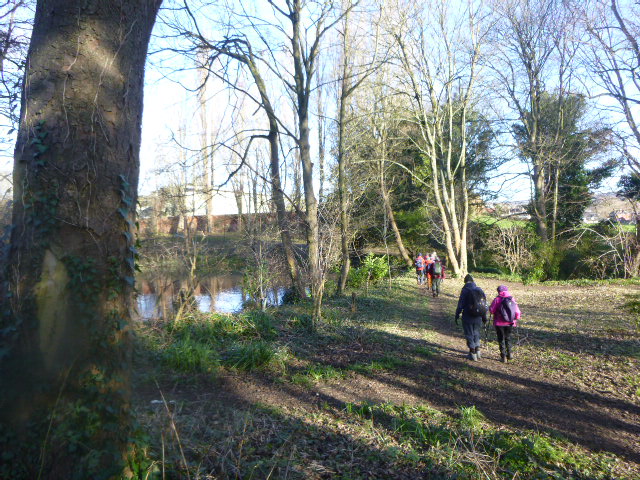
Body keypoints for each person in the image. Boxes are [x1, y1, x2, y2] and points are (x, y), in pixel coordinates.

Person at [454, 274, 488, 361]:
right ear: (473, 281)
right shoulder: (479, 290)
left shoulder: (465, 290)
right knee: (476, 333)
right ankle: (478, 351)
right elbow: (483, 304)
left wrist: (457, 314)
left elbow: (460, 304)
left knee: (469, 333)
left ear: (465, 281)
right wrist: (484, 317)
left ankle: (472, 353)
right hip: (478, 316)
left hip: (467, 315)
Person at [489, 285, 521, 362]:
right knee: (508, 338)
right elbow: (517, 311)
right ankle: (510, 354)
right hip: (510, 322)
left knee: (501, 339)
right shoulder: (512, 299)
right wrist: (517, 318)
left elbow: (492, 310)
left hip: (499, 323)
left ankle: (503, 356)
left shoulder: (497, 299)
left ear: (499, 291)